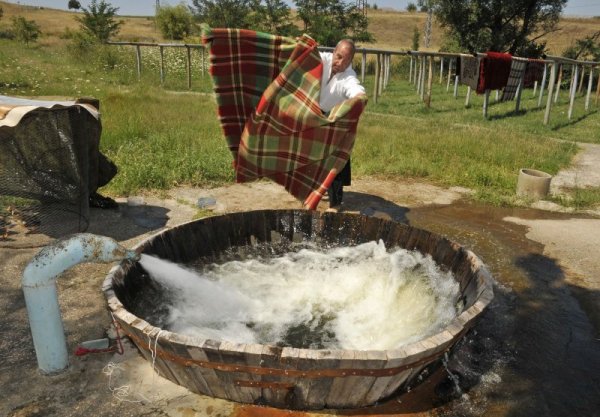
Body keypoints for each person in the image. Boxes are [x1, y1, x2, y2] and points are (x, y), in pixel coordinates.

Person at [319, 39, 367, 212]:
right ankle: (316, 187)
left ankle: (336, 203)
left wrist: (360, 97)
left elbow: (356, 90)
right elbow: (302, 56)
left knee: (336, 159)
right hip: (314, 114)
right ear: (333, 52)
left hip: (336, 118)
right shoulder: (322, 59)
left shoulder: (348, 76)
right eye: (338, 57)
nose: (340, 63)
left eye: (346, 61)